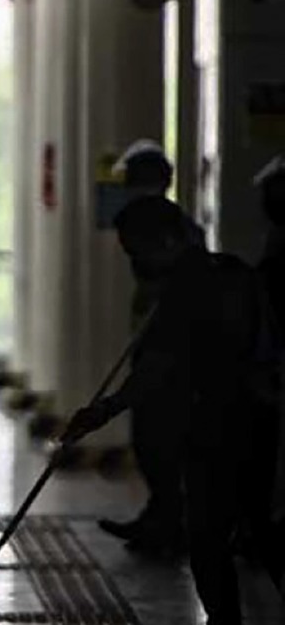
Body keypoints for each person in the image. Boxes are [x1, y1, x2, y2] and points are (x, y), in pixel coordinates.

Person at [65, 195, 279, 625]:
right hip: (259, 424)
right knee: (260, 534)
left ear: (164, 241)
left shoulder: (188, 288)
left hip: (215, 426)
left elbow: (156, 369)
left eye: (135, 251)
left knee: (208, 539)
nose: (134, 263)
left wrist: (102, 411)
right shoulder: (233, 272)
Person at [101, 140, 186, 553]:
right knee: (152, 437)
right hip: (155, 334)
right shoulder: (172, 218)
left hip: (166, 340)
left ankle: (168, 521)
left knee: (157, 437)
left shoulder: (153, 219)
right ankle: (161, 516)